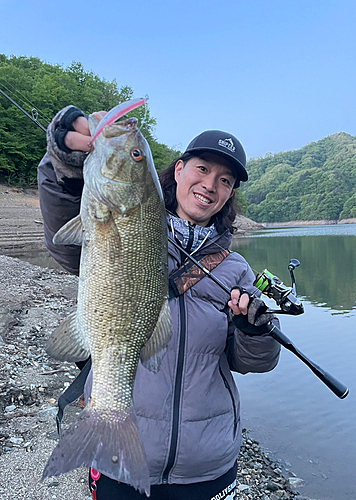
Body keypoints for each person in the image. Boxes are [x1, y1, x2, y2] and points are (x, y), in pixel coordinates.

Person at [37, 105, 281, 500]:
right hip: (122, 460)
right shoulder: (128, 217)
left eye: (225, 179)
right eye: (202, 169)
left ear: (230, 193)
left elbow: (253, 362)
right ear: (179, 169)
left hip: (208, 463)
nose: (211, 185)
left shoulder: (236, 268)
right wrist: (62, 164)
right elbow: (63, 240)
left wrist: (254, 332)